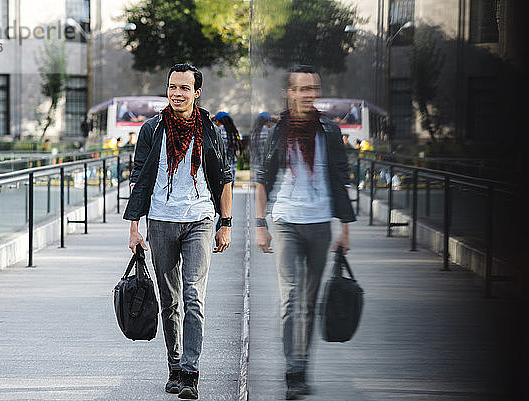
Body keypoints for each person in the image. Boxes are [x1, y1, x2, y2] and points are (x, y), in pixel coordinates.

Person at [123, 63, 233, 400]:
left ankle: (190, 371)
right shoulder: (152, 129)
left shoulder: (210, 129)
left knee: (193, 298)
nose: (177, 93)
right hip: (161, 221)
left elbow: (224, 176)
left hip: (200, 219)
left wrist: (225, 223)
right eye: (172, 86)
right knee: (169, 301)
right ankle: (173, 367)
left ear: (196, 93)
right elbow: (139, 178)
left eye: (184, 88)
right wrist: (134, 228)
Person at [255, 65, 356, 400]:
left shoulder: (329, 130)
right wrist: (260, 225)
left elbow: (340, 178)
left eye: (313, 88)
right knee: (291, 298)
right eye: (301, 89)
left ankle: (302, 367)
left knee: (309, 302)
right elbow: (263, 179)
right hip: (285, 220)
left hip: (319, 222)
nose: (308, 94)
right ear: (290, 92)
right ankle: (291, 367)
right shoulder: (278, 131)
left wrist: (344, 228)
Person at [213, 111, 241, 187]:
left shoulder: (216, 131)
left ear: (217, 121)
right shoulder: (235, 133)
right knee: (229, 191)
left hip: (219, 166)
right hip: (231, 166)